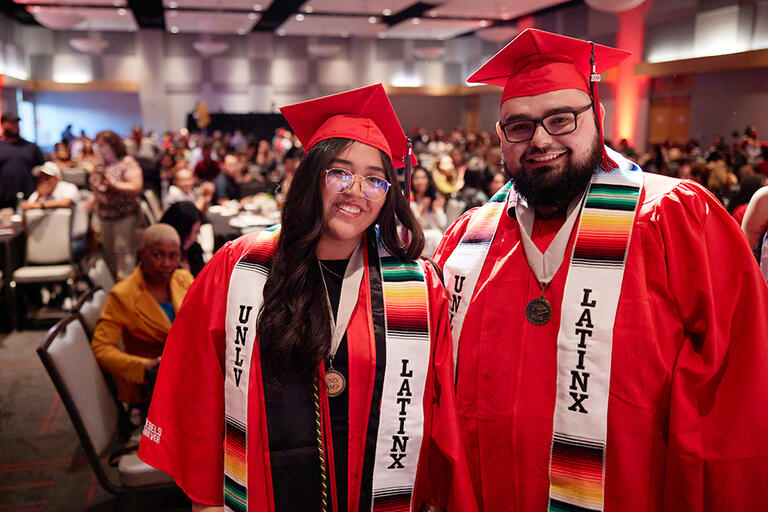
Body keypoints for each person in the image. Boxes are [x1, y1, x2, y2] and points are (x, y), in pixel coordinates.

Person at [434, 29, 768, 511]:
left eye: (561, 119)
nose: (541, 140)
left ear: (599, 118)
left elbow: (738, 382)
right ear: (500, 137)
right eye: (519, 126)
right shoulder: (468, 240)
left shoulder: (672, 218)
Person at [139, 84, 475, 512]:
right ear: (310, 176)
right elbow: (198, 389)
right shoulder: (238, 266)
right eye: (340, 172)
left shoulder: (418, 286)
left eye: (375, 180)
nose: (356, 190)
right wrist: (206, 501)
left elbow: (438, 408)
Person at [91, 224, 193, 411]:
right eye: (157, 255)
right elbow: (101, 349)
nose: (166, 263)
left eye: (173, 256)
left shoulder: (183, 279)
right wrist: (144, 366)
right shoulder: (123, 295)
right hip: (150, 388)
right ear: (143, 253)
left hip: (189, 374)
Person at [89, 129, 144, 281]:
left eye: (103, 145)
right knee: (108, 253)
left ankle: (126, 289)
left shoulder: (127, 163)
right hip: (104, 215)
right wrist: (94, 198)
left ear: (113, 146)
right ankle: (114, 288)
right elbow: (97, 186)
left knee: (123, 252)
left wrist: (114, 185)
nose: (100, 149)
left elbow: (135, 187)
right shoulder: (99, 164)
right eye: (98, 145)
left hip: (124, 216)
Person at [0, 112, 44, 209]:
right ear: (3, 124)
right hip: (3, 200)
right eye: (11, 123)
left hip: (28, 199)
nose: (15, 126)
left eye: (16, 123)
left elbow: (43, 172)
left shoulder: (31, 147)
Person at [159, 201, 205, 277]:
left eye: (195, 232)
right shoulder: (161, 259)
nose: (191, 237)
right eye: (187, 231)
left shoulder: (195, 251)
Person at [410, 167, 447, 256]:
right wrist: (420, 207)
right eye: (416, 178)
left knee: (438, 234)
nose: (420, 181)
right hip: (415, 235)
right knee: (436, 235)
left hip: (432, 236)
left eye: (423, 178)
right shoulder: (409, 198)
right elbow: (412, 224)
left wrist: (436, 210)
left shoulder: (434, 197)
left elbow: (442, 223)